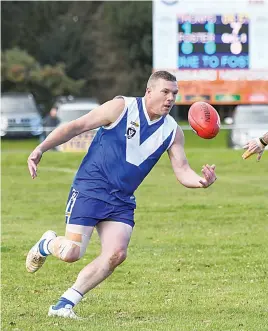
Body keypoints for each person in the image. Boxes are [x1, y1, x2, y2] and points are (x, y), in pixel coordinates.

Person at [26, 71, 217, 319]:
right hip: (91, 188)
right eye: (165, 92)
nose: (171, 98)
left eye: (174, 94)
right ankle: (47, 243)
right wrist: (41, 148)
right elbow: (77, 126)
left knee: (117, 254)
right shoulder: (121, 107)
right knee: (72, 252)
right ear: (149, 91)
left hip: (121, 199)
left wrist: (202, 181)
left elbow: (182, 170)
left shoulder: (172, 131)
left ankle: (64, 305)